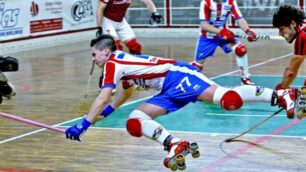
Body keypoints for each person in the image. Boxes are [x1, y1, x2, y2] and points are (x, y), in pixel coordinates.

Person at [65, 35, 297, 170]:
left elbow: (104, 94)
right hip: (167, 90)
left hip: (178, 76)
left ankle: (281, 96)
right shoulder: (121, 66)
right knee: (135, 121)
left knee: (229, 100)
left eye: (94, 55)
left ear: (106, 52)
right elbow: (121, 96)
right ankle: (175, 144)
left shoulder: (113, 63)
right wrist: (102, 114)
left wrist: (84, 124)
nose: (93, 60)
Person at [95, 0, 163, 88]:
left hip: (120, 21)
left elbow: (148, 2)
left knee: (135, 47)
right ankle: (105, 79)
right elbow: (100, 8)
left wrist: (154, 12)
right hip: (107, 21)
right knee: (116, 49)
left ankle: (136, 76)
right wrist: (99, 27)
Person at [191, 0, 257, 85]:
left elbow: (239, 18)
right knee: (197, 66)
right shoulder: (206, 2)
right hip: (207, 38)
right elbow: (204, 25)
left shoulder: (231, 2)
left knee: (241, 49)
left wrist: (248, 31)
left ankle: (245, 79)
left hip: (224, 36)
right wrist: (221, 32)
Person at [272, 4, 306, 89]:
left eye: (281, 29)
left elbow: (291, 72)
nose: (280, 34)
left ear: (293, 24)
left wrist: (281, 90)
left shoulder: (302, 36)